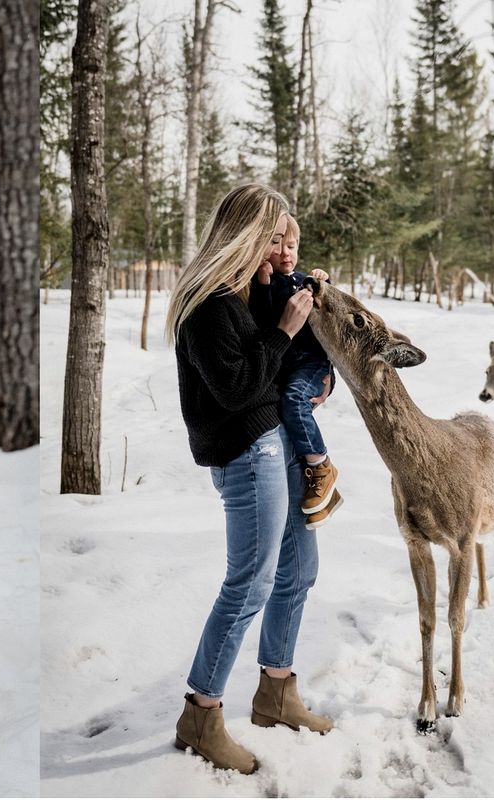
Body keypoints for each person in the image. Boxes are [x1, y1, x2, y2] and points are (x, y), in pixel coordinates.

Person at [163, 184, 333, 775]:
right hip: (246, 454)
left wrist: (314, 380)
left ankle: (276, 692)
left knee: (299, 568)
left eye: (286, 239)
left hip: (276, 442)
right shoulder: (208, 304)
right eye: (272, 237)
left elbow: (273, 368)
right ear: (245, 236)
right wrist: (284, 330)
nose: (281, 249)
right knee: (250, 583)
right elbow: (237, 388)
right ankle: (201, 715)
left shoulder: (245, 293)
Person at [248, 214, 342, 527]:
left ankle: (321, 465)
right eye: (277, 245)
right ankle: (317, 492)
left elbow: (329, 318)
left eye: (292, 245)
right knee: (287, 408)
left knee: (294, 400)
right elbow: (263, 321)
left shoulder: (304, 281)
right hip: (286, 364)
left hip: (312, 362)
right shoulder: (264, 285)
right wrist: (263, 284)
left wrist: (324, 284)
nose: (286, 252)